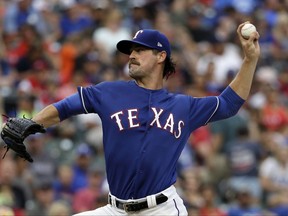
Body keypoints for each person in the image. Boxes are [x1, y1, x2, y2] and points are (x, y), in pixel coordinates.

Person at [11, 21, 260, 215]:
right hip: (114, 209)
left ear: (161, 56)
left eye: (140, 50)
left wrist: (250, 60)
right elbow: (63, 108)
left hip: (161, 210)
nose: (132, 55)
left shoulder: (183, 106)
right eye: (131, 51)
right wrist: (32, 122)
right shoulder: (109, 92)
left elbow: (229, 103)